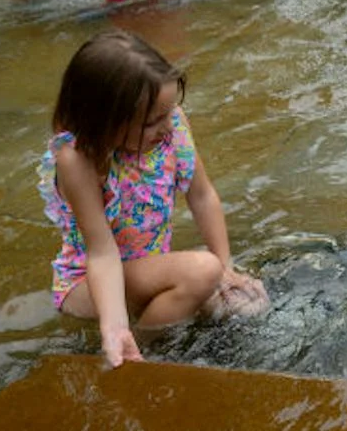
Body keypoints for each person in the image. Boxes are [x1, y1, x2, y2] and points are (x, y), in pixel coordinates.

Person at [39, 30, 269, 368]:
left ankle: (154, 332)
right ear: (104, 121)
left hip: (151, 271)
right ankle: (142, 353)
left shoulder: (173, 124)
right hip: (90, 286)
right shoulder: (78, 159)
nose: (166, 126)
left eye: (169, 110)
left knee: (247, 305)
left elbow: (202, 196)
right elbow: (102, 251)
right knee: (203, 270)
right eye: (152, 121)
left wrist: (228, 268)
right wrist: (115, 326)